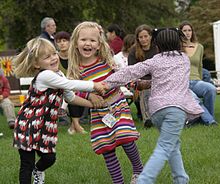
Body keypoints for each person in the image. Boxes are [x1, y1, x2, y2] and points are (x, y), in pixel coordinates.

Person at [102, 28, 204, 183]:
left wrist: (106, 82)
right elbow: (172, 79)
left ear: (157, 45)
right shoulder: (184, 59)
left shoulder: (155, 60)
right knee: (164, 147)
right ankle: (144, 180)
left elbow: (130, 72)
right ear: (178, 43)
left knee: (173, 145)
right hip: (175, 110)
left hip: (156, 111)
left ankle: (181, 179)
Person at [12, 37, 103, 184]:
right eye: (47, 57)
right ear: (36, 64)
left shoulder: (59, 75)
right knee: (26, 164)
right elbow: (70, 84)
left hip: (44, 127)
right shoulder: (44, 76)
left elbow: (71, 98)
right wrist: (95, 85)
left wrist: (92, 104)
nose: (54, 58)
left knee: (49, 158)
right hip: (27, 125)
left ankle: (38, 170)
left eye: (54, 53)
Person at [67, 21, 143, 184]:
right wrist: (89, 96)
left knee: (125, 136)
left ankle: (138, 171)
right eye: (83, 40)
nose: (88, 43)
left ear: (99, 44)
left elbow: (120, 77)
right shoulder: (76, 68)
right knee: (106, 148)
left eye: (92, 40)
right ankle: (118, 182)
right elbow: (72, 89)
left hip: (117, 104)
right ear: (76, 42)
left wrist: (135, 85)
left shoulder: (105, 60)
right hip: (99, 112)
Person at [179, 21, 217, 125]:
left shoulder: (199, 47)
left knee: (211, 89)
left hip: (196, 81)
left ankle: (206, 118)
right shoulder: (177, 48)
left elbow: (200, 66)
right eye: (184, 30)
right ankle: (210, 121)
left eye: (189, 30)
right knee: (195, 99)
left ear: (192, 32)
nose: (187, 33)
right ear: (180, 33)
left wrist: (200, 79)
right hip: (182, 83)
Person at [54, 31, 87, 133]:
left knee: (78, 91)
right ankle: (76, 126)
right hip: (58, 87)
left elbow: (81, 72)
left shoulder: (76, 56)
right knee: (73, 91)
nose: (62, 43)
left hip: (74, 86)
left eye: (64, 40)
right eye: (59, 41)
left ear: (70, 42)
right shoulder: (54, 57)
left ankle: (74, 125)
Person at [128, 24, 158, 127]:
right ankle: (147, 120)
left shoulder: (157, 49)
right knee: (145, 88)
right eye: (141, 37)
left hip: (156, 79)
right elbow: (132, 71)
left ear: (150, 36)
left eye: (146, 36)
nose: (144, 39)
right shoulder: (133, 51)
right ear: (137, 38)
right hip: (139, 81)